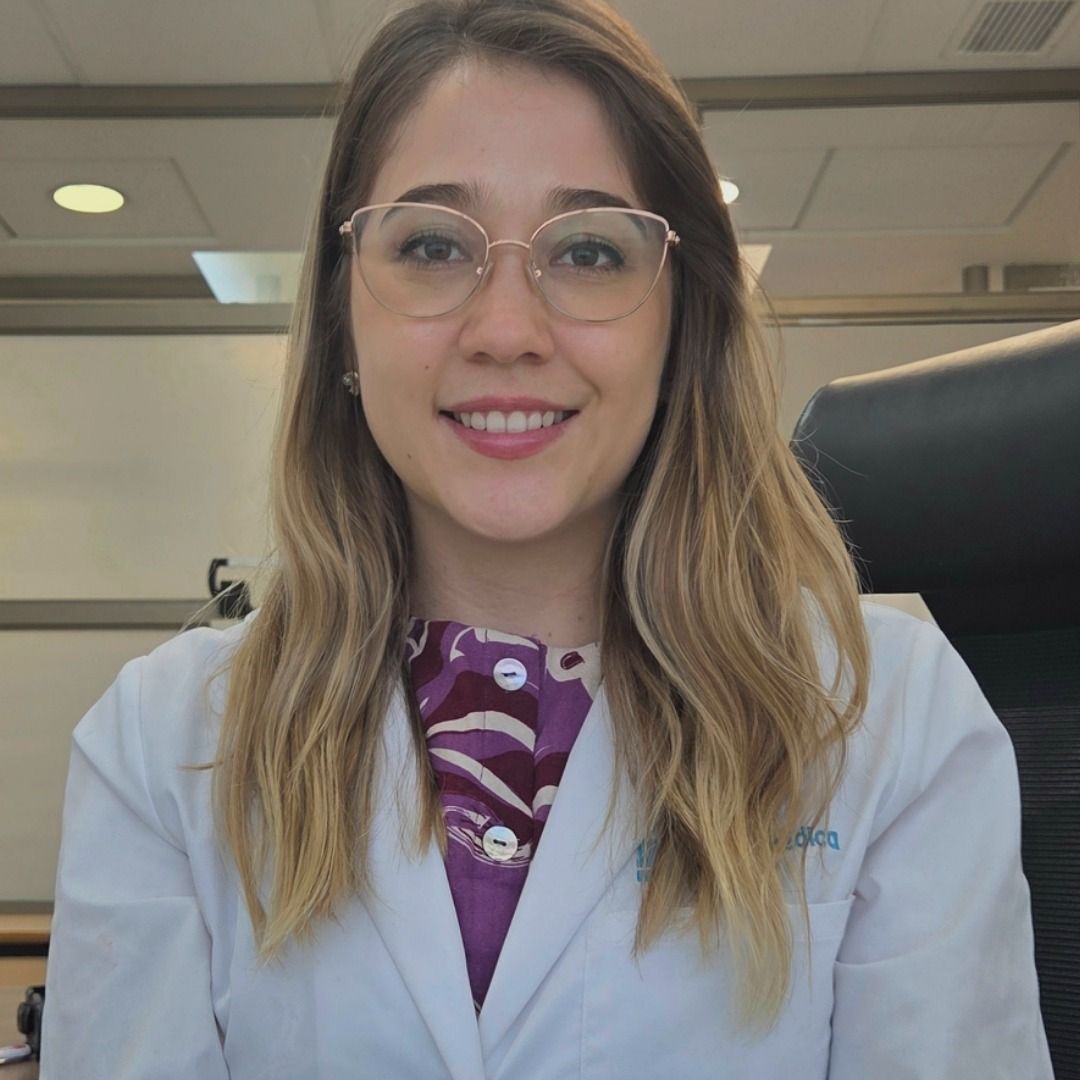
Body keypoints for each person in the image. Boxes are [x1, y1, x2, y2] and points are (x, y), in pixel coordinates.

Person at [40, 1, 1052, 1077]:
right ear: (343, 318)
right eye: (432, 245)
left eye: (590, 251)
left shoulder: (888, 721)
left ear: (680, 323)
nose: (508, 331)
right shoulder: (161, 747)